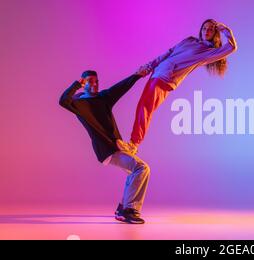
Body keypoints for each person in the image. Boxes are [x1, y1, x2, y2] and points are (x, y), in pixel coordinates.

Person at [117, 19, 238, 155]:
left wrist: (225, 29)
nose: (206, 31)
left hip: (166, 79)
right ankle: (133, 143)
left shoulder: (208, 52)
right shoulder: (189, 41)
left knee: (145, 107)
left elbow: (232, 47)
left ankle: (134, 144)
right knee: (142, 106)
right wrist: (150, 66)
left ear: (215, 33)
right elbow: (168, 53)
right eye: (204, 28)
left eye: (210, 29)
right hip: (156, 73)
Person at [59, 67, 152, 224]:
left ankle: (122, 208)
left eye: (96, 82)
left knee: (134, 171)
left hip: (118, 147)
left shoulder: (104, 98)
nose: (94, 85)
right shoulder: (79, 104)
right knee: (141, 168)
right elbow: (63, 101)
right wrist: (77, 85)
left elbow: (120, 88)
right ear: (84, 83)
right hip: (106, 150)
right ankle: (128, 210)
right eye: (90, 82)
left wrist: (136, 76)